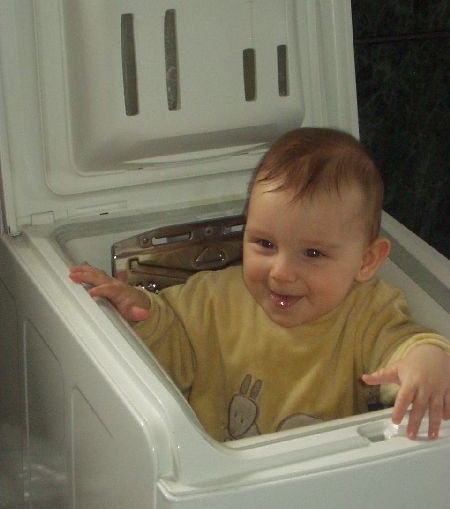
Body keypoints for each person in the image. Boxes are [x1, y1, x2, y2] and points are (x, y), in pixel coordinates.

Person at [69, 127, 450, 442]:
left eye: (313, 253)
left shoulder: (367, 311)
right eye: (265, 244)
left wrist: (427, 362)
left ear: (366, 261)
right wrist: (138, 311)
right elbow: (172, 349)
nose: (281, 272)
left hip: (324, 477)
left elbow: (402, 343)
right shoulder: (213, 297)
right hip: (223, 476)